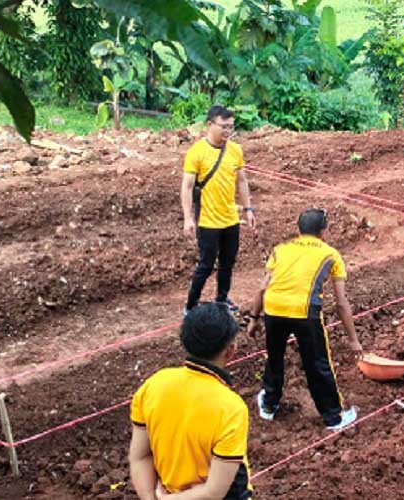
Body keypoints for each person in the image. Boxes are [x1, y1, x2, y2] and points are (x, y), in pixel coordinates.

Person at [247, 208, 363, 430]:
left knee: (274, 357)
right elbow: (341, 303)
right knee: (317, 363)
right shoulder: (330, 254)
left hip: (273, 309)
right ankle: (333, 417)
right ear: (323, 232)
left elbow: (263, 287)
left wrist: (254, 318)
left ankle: (269, 405)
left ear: (298, 230)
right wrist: (353, 339)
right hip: (304, 312)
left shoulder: (280, 250)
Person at [129, 303, 252, 500]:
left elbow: (140, 456)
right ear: (230, 350)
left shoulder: (153, 385)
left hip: (170, 491)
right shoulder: (231, 407)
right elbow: (213, 493)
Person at [181, 105, 256, 316]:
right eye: (223, 126)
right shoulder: (196, 152)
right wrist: (188, 218)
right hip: (207, 220)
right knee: (205, 265)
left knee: (227, 262)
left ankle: (222, 299)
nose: (227, 131)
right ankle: (190, 305)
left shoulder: (235, 150)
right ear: (210, 124)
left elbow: (242, 181)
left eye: (231, 127)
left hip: (230, 218)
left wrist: (248, 208)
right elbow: (187, 187)